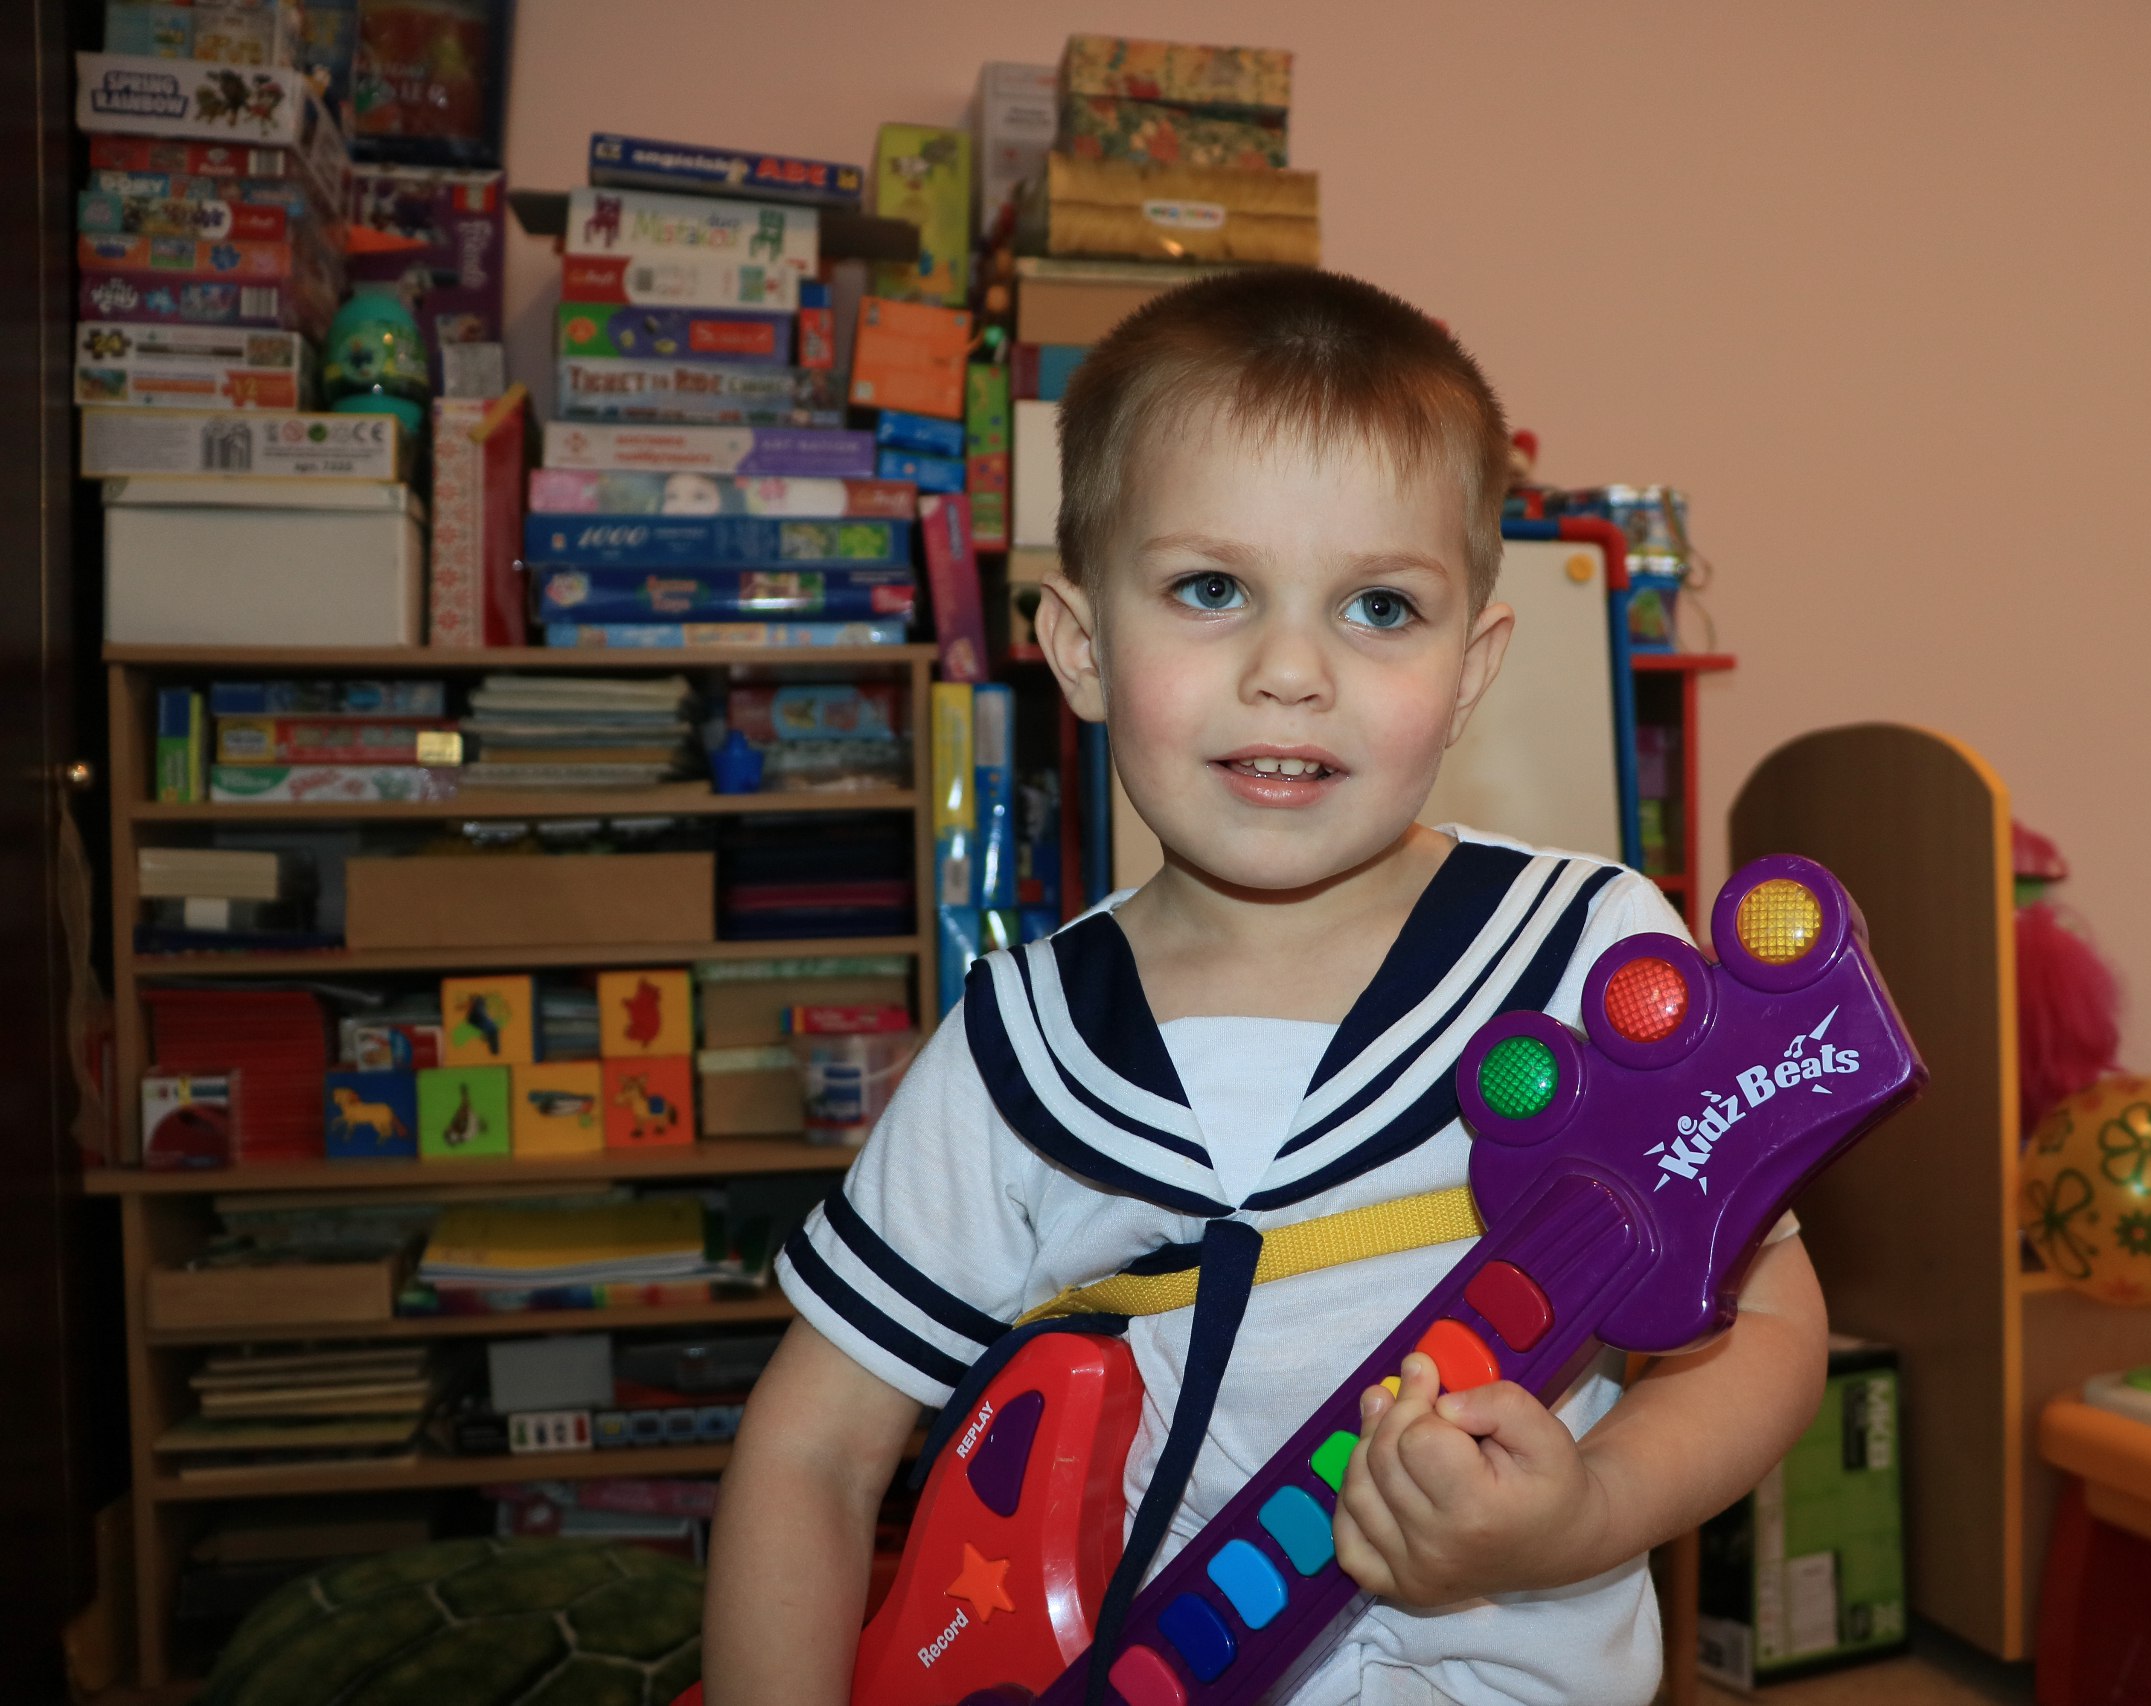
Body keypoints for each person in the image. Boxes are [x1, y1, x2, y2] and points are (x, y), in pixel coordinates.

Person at [703, 270, 1831, 1706]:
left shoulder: (1591, 958)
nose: (1291, 670)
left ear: (1472, 665)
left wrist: (1592, 1509)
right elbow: (812, 1448)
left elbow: (1768, 1319)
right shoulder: (1022, 1048)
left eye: (1379, 605)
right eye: (1212, 589)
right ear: (1082, 647)